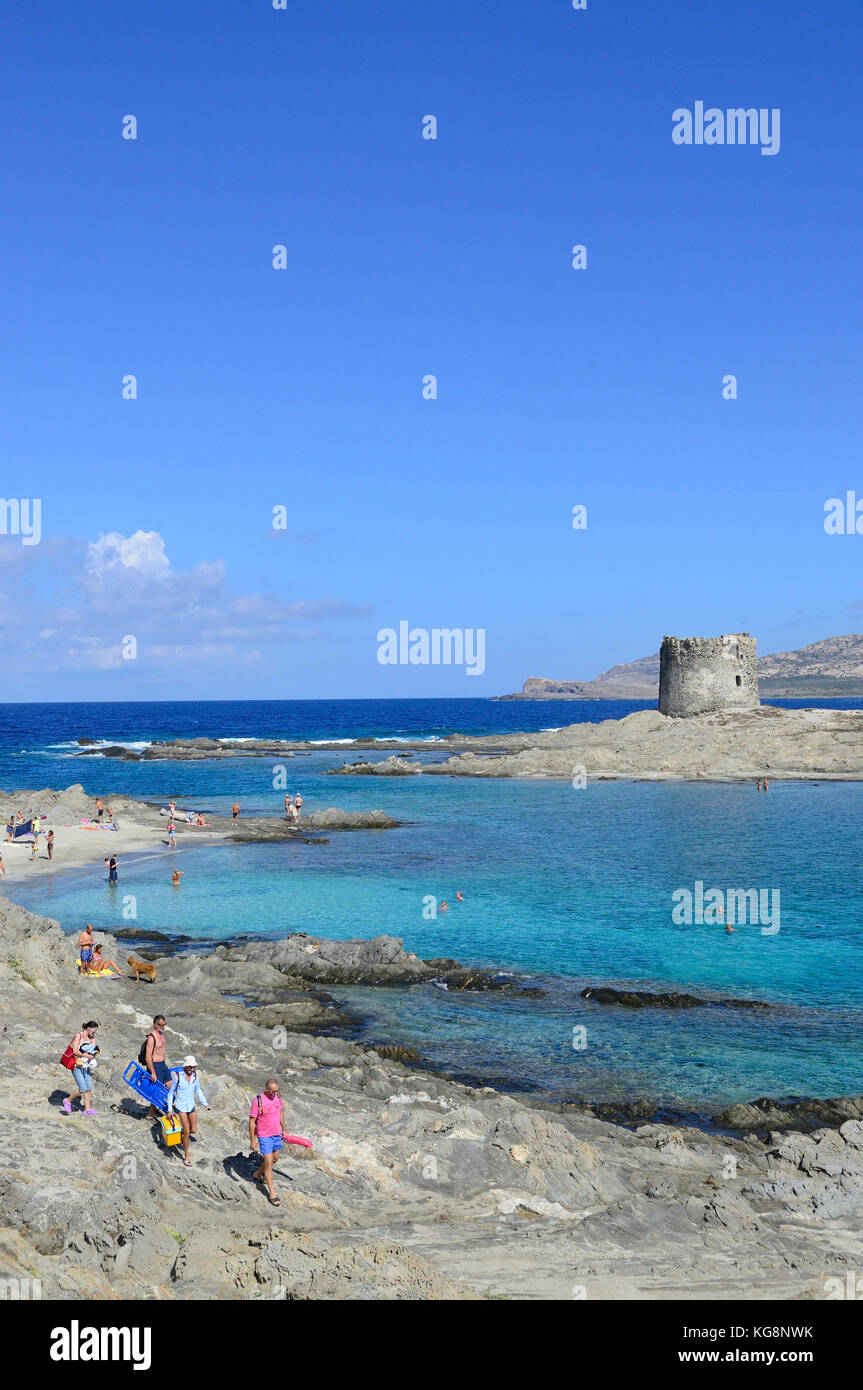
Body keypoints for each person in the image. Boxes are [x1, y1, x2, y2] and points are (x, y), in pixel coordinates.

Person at [249, 1077, 290, 1206]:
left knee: (274, 1159)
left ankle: (257, 1173)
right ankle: (272, 1193)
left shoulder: (278, 1097)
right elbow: (251, 1121)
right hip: (264, 1135)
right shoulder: (258, 1100)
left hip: (276, 1134)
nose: (275, 1093)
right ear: (266, 1089)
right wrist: (252, 1140)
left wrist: (284, 1129)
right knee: (268, 1162)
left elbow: (280, 1113)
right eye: (273, 1091)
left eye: (277, 1091)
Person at [167, 1056, 210, 1166]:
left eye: (194, 1066)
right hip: (181, 1107)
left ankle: (181, 1134)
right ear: (186, 1066)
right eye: (190, 1066)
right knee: (187, 1130)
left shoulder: (195, 1076)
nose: (192, 1068)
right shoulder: (178, 1076)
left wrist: (205, 1104)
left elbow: (198, 1090)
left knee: (193, 1130)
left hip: (191, 1106)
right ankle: (186, 1156)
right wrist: (169, 1110)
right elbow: (171, 1092)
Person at [63, 1020, 100, 1115]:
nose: (94, 1033)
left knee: (88, 1087)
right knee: (82, 1088)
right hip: (76, 1065)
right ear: (88, 1028)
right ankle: (67, 1100)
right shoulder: (78, 1036)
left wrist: (94, 1055)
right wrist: (86, 1055)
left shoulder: (92, 1038)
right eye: (93, 1031)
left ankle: (87, 1109)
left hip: (86, 1066)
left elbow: (96, 1049)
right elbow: (75, 1051)